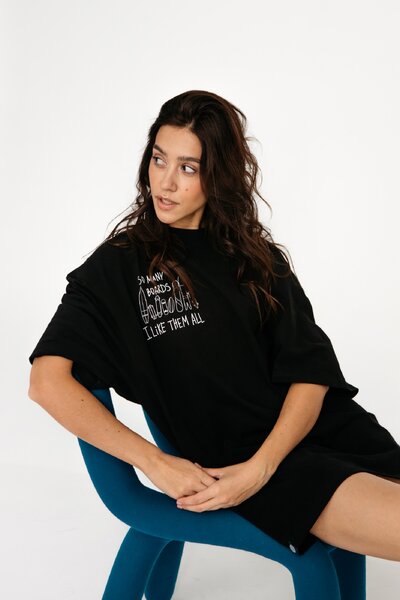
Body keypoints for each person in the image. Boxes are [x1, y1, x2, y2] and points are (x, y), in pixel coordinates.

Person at [28, 89, 400, 561]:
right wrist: (155, 462)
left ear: (218, 175)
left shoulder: (258, 258)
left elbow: (310, 372)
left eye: (188, 168)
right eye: (159, 159)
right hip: (244, 466)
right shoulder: (118, 266)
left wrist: (264, 465)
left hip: (312, 438)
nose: (165, 182)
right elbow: (46, 382)